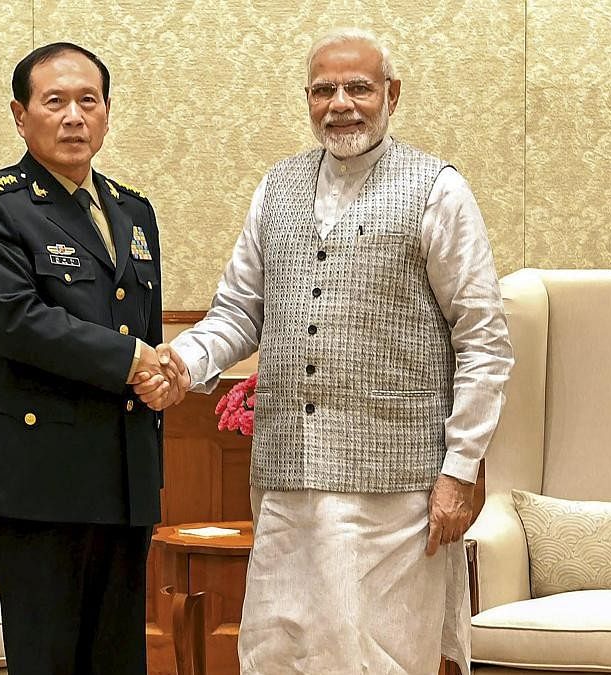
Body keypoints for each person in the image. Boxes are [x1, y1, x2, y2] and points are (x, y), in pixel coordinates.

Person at [154, 27, 514, 674]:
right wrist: (184, 362)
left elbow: (484, 340)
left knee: (374, 655)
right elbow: (238, 311)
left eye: (358, 87)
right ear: (308, 99)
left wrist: (460, 471)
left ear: (392, 95)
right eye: (324, 90)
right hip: (286, 483)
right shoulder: (277, 187)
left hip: (395, 490)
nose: (340, 103)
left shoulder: (439, 190)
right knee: (277, 650)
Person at [0, 42, 184, 675]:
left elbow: (138, 324)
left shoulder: (134, 211)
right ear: (20, 116)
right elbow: (17, 323)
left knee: (118, 659)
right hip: (37, 479)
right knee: (47, 658)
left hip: (125, 469)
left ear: (107, 113)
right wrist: (134, 360)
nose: (74, 116)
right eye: (54, 102)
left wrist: (160, 378)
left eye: (89, 100)